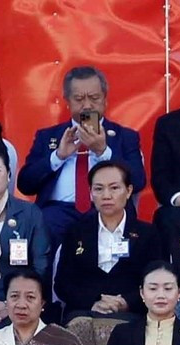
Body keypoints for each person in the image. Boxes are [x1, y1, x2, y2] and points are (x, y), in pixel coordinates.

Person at [17, 66, 145, 245]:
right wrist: (58, 156)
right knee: (41, 226)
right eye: (79, 99)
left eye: (94, 98)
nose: (87, 105)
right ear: (67, 101)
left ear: (105, 99)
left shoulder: (125, 136)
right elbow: (25, 184)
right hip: (57, 211)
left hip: (106, 209)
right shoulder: (48, 136)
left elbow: (138, 181)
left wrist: (103, 151)